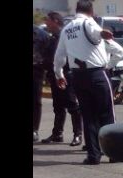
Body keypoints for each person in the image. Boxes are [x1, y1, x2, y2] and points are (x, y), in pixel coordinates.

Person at [54, 0, 117, 165]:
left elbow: (59, 55)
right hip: (97, 74)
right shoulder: (88, 23)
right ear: (91, 11)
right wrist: (103, 33)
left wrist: (59, 74)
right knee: (106, 114)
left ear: (77, 10)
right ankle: (113, 153)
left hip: (78, 77)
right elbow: (96, 32)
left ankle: (93, 155)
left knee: (88, 116)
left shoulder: (67, 29)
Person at [41, 12, 83, 146]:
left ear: (55, 21)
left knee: (72, 105)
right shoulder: (53, 36)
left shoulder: (64, 36)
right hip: (54, 74)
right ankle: (57, 133)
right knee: (58, 106)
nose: (46, 23)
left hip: (65, 74)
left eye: (48, 20)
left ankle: (78, 134)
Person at [33, 25, 50, 142]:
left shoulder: (42, 35)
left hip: (36, 72)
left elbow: (48, 54)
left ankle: (34, 130)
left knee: (35, 101)